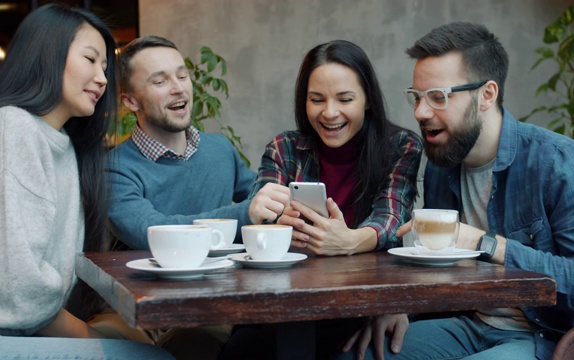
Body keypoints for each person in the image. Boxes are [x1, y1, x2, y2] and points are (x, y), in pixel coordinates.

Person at [338, 22, 574, 360]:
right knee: (354, 354)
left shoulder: (560, 164)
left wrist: (485, 244)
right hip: (468, 324)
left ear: (487, 95)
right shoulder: (442, 163)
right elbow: (442, 270)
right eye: (417, 97)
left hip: (544, 337)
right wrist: (402, 306)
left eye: (438, 97)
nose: (420, 112)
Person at [220, 40, 423, 359]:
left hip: (359, 307)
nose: (329, 113)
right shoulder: (284, 148)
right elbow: (261, 228)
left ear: (368, 99)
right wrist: (265, 217)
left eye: (345, 99)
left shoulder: (399, 147)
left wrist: (349, 240)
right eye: (317, 99)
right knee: (240, 350)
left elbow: (391, 219)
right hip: (282, 306)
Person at [0, 4, 173, 359]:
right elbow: (20, 288)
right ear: (48, 54)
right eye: (90, 59)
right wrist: (90, 333)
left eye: (105, 68)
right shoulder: (13, 128)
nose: (102, 79)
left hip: (32, 330)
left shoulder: (62, 144)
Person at [108, 36, 289, 251]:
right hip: (152, 284)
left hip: (226, 281)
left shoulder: (220, 148)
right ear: (130, 101)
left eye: (182, 76)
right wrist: (245, 213)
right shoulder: (114, 168)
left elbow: (260, 201)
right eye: (160, 82)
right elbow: (150, 230)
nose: (178, 88)